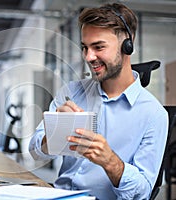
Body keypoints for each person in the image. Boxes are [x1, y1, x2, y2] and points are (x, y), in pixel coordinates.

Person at [29, 3, 168, 200]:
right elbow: (35, 152)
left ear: (127, 45)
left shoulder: (154, 115)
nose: (88, 56)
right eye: (85, 48)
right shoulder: (71, 92)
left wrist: (111, 162)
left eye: (98, 47)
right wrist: (55, 134)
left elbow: (142, 192)